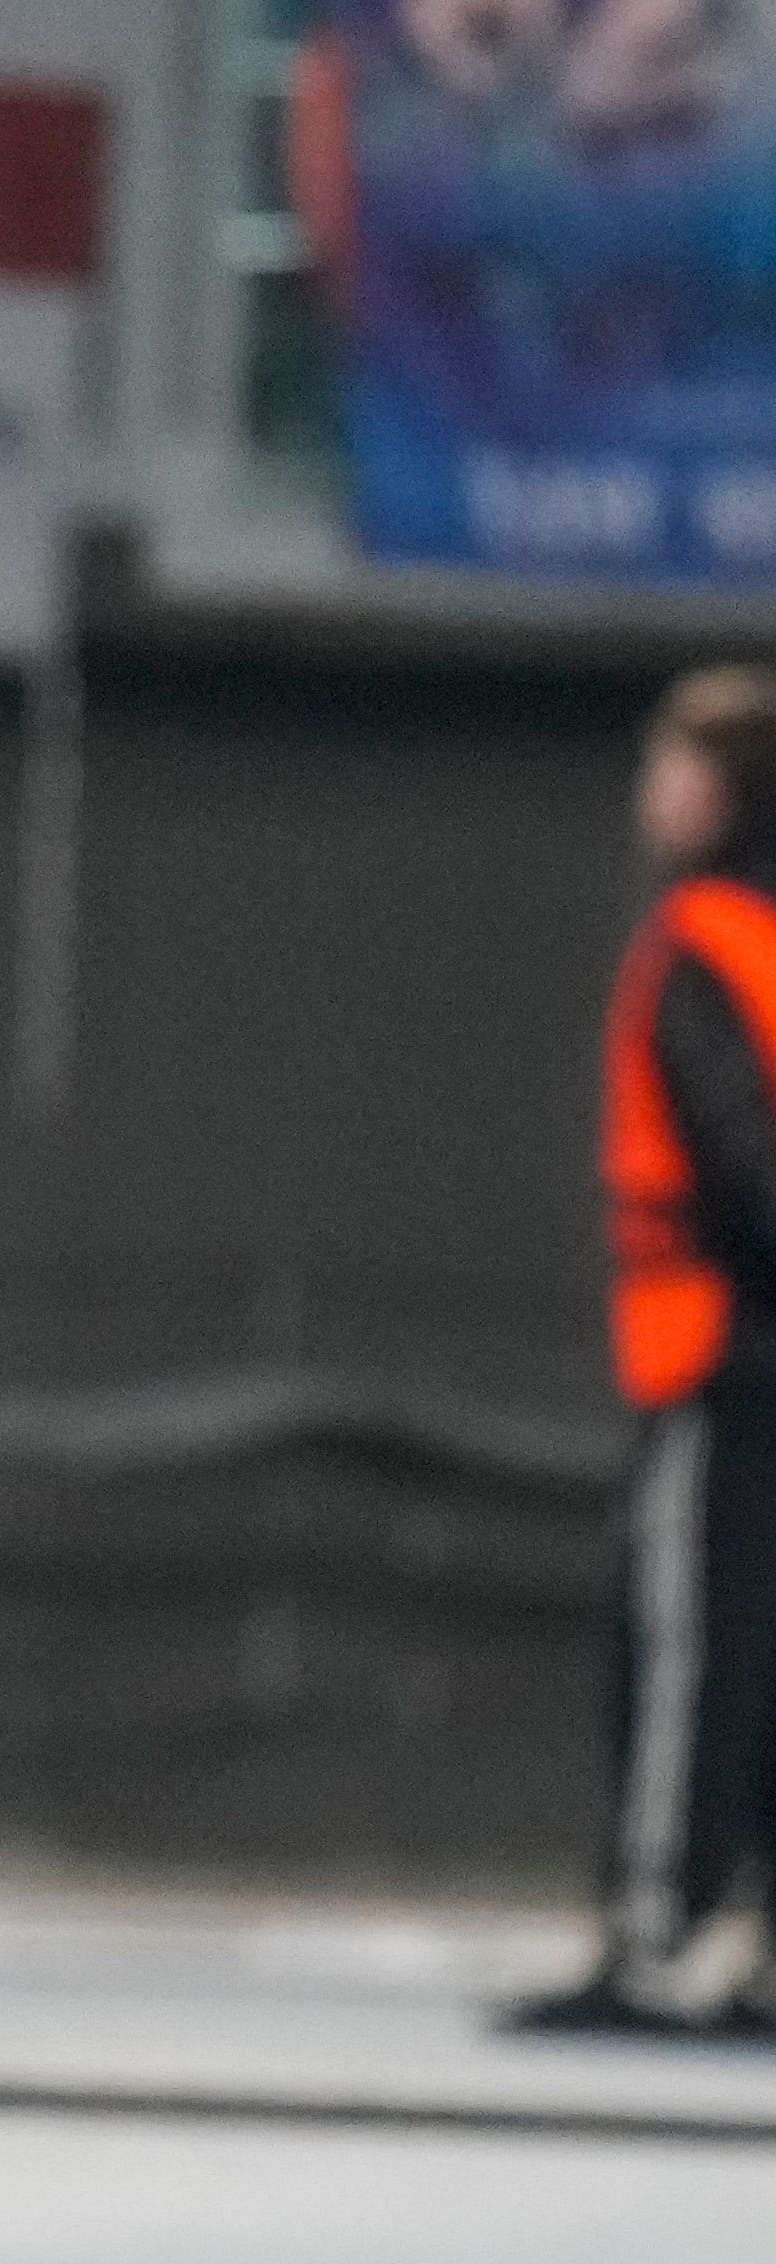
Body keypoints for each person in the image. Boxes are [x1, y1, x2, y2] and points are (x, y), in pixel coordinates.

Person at [515, 664, 776, 2035]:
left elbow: (741, 1160)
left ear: (723, 791)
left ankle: (655, 1938)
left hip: (713, 1350)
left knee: (683, 1653)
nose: (649, 790)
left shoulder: (696, 945)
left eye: (672, 765)